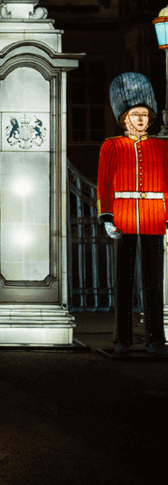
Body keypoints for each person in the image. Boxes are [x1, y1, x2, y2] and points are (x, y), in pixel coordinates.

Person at [97, 72, 168, 356]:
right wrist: (106, 217)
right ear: (124, 118)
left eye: (143, 115)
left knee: (154, 284)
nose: (140, 119)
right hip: (124, 217)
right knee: (124, 282)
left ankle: (155, 339)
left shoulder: (161, 147)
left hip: (154, 217)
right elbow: (104, 184)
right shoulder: (111, 146)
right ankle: (122, 340)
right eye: (134, 114)